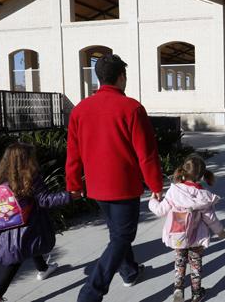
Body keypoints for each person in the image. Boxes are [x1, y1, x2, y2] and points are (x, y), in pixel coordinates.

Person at [66, 54, 164, 302]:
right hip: (124, 188)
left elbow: (73, 152)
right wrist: (155, 185)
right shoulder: (132, 108)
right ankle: (91, 293)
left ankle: (129, 272)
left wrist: (74, 184)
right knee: (122, 237)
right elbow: (147, 153)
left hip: (96, 188)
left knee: (117, 234)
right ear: (121, 76)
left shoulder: (80, 110)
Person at [0, 143, 78, 302]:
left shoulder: (0, 178)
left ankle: (43, 268)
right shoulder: (30, 177)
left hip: (6, 225)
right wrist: (70, 196)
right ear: (25, 159)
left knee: (28, 246)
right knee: (17, 258)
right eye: (31, 156)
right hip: (28, 224)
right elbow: (45, 200)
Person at [148, 155, 225, 302]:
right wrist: (220, 232)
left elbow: (160, 210)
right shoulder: (204, 196)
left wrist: (152, 200)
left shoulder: (174, 191)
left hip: (178, 236)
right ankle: (197, 293)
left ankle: (178, 289)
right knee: (195, 264)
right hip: (197, 238)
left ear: (184, 170)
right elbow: (211, 219)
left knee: (180, 261)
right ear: (202, 176)